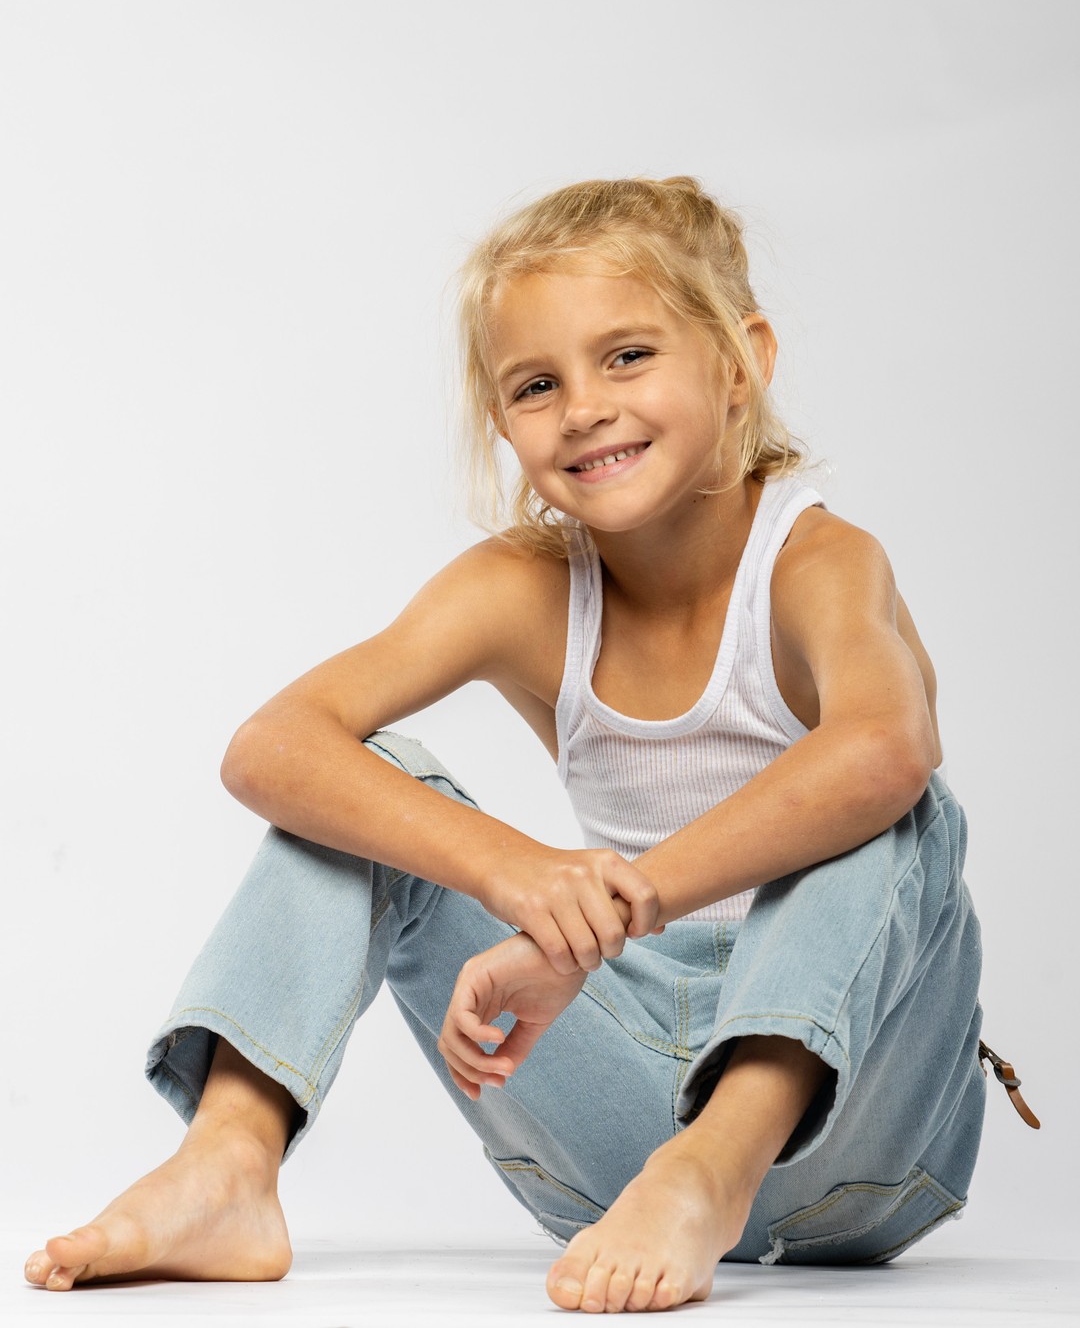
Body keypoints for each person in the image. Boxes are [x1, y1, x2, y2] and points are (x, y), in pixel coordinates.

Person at [25, 175, 990, 1313]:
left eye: (628, 357)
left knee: (893, 805)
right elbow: (270, 746)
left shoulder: (818, 563)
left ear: (742, 362)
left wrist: (616, 905)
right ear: (503, 421)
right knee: (362, 789)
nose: (583, 408)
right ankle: (229, 1164)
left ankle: (713, 1167)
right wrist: (516, 875)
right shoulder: (526, 590)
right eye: (537, 385)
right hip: (611, 1147)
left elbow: (886, 750)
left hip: (856, 1144)